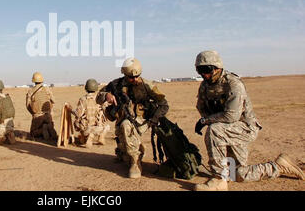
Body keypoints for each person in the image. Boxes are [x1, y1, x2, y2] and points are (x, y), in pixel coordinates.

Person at [193, 50, 305, 191]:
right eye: (199, 70)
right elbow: (201, 107)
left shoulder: (233, 84)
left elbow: (231, 116)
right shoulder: (205, 86)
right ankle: (278, 166)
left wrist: (206, 121)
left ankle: (218, 179)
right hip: (226, 131)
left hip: (244, 128)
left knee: (214, 130)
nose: (203, 74)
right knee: (238, 174)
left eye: (206, 69)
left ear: (217, 68)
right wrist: (207, 119)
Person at [96, 58, 169, 178]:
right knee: (124, 154)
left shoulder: (147, 86)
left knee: (126, 127)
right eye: (131, 77)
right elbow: (98, 98)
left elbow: (164, 105)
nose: (134, 79)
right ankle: (132, 151)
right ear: (124, 74)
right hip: (122, 118)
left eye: (137, 76)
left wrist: (153, 120)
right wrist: (106, 95)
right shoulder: (115, 85)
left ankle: (136, 163)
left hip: (142, 120)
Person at [70, 79, 109, 148]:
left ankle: (86, 136)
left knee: (77, 121)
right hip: (99, 128)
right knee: (107, 126)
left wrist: (71, 110)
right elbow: (106, 112)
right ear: (96, 88)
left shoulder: (83, 99)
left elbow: (78, 114)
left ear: (86, 88)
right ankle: (101, 137)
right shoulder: (100, 99)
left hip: (86, 128)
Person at [26, 72, 57, 141]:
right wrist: (49, 109)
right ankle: (48, 127)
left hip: (37, 116)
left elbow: (28, 106)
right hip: (48, 115)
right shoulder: (47, 89)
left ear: (34, 81)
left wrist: (34, 113)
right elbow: (53, 101)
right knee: (49, 125)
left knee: (32, 134)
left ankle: (42, 130)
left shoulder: (30, 91)